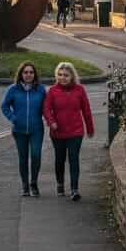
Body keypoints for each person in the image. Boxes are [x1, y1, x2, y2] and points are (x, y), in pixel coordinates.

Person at [42, 62, 95, 201]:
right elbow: (46, 109)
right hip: (57, 132)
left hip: (76, 132)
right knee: (60, 159)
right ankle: (60, 184)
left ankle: (74, 189)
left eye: (66, 75)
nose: (62, 77)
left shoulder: (80, 90)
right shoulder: (52, 91)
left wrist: (90, 128)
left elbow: (86, 110)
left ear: (72, 76)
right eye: (59, 75)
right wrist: (51, 122)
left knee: (73, 158)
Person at [1, 61, 46, 197]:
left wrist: (52, 119)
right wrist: (13, 118)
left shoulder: (40, 89)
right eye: (25, 72)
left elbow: (47, 108)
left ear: (34, 74)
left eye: (31, 72)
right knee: (23, 158)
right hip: (19, 131)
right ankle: (25, 185)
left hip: (36, 129)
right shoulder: (13, 89)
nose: (28, 75)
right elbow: (4, 106)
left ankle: (34, 183)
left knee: (36, 155)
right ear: (21, 74)